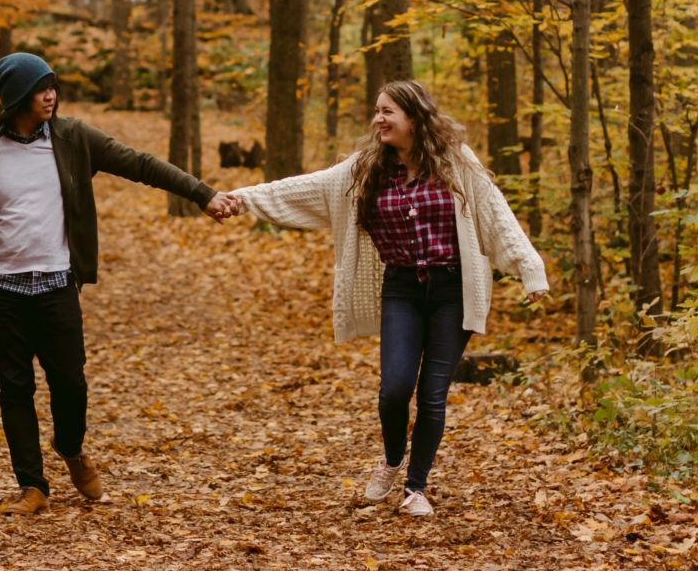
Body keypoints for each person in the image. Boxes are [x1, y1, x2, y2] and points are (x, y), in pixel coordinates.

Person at [210, 79, 546, 516]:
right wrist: (242, 198)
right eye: (376, 111)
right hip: (402, 288)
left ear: (414, 116)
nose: (378, 120)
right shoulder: (364, 168)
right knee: (394, 390)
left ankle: (416, 490)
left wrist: (529, 269)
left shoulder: (457, 162)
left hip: (454, 289)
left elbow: (495, 214)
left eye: (387, 111)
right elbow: (302, 189)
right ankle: (392, 458)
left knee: (432, 394)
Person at [0, 52, 221, 514]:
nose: (50, 94)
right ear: (17, 98)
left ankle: (70, 449)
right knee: (15, 390)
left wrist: (203, 194)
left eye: (52, 84)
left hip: (56, 286)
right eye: (40, 88)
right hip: (1, 294)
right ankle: (32, 486)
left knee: (70, 384)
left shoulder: (73, 138)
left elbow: (140, 164)